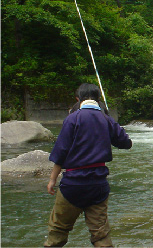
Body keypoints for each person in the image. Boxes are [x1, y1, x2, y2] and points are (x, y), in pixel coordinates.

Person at [44, 83, 132, 247]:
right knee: (101, 236)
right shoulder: (106, 119)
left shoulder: (72, 119)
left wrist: (52, 180)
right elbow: (126, 143)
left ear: (78, 99)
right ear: (99, 100)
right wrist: (112, 122)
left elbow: (61, 152)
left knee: (58, 231)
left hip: (72, 185)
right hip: (98, 186)